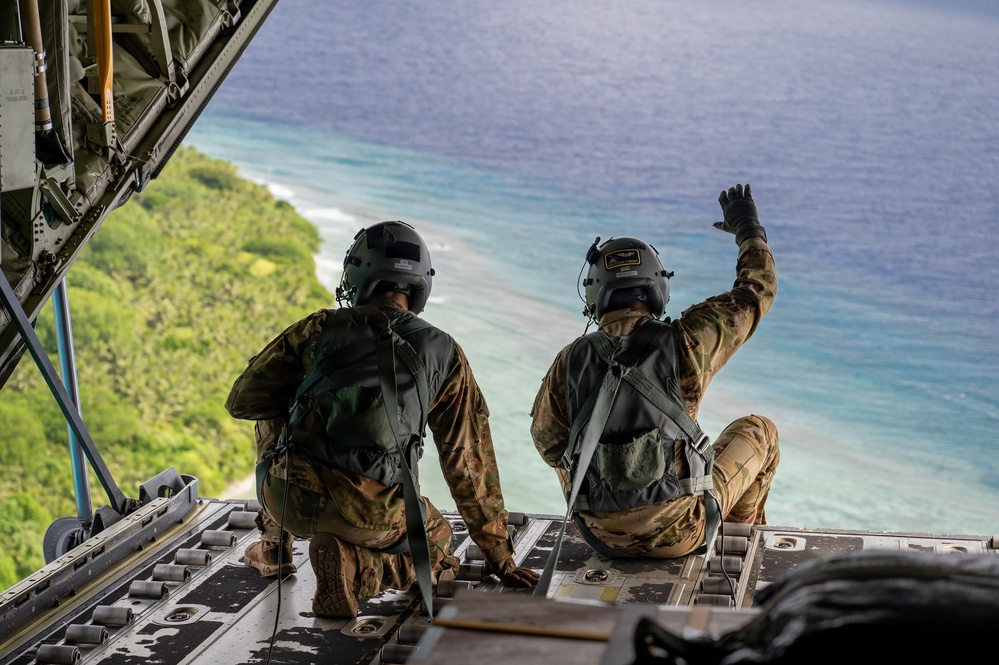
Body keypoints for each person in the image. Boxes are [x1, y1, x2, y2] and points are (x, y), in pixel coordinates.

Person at [226, 220, 539, 618]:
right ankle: (356, 569)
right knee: (440, 549)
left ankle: (274, 546)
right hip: (374, 516)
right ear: (421, 285)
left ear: (357, 276)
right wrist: (499, 555)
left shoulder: (318, 328)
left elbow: (243, 402)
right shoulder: (444, 353)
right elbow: (468, 461)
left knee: (276, 408)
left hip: (289, 498)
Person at [530, 184, 780, 559]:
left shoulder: (569, 361)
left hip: (598, 535)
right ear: (657, 287)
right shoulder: (688, 342)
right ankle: (736, 545)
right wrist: (748, 230)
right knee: (761, 430)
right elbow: (755, 291)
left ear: (595, 294)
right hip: (683, 531)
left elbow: (549, 446)